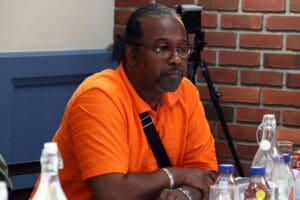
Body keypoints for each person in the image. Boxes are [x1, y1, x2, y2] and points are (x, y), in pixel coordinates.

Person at [31, 3, 218, 200]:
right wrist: (177, 175)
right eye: (163, 48)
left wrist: (184, 193)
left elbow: (205, 175)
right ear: (131, 54)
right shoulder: (99, 96)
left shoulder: (186, 92)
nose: (176, 59)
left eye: (182, 49)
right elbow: (112, 194)